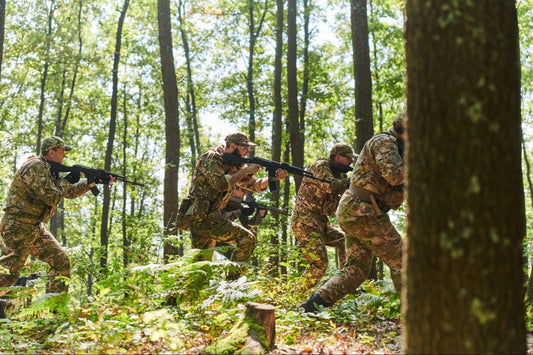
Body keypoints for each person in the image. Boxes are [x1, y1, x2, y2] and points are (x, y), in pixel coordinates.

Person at [298, 112, 407, 313]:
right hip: (363, 211)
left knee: (356, 270)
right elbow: (395, 175)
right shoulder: (384, 142)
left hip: (357, 211)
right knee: (404, 260)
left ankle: (309, 307)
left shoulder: (395, 145)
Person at [0, 136, 115, 296]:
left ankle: (56, 312)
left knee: (60, 261)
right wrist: (69, 179)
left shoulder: (50, 171)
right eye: (62, 151)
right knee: (9, 275)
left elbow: (67, 192)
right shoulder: (36, 167)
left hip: (34, 228)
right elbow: (52, 197)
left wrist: (91, 183)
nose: (64, 155)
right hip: (17, 227)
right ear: (51, 152)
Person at [183, 132, 288, 274]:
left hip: (208, 217)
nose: (247, 151)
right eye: (244, 147)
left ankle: (178, 295)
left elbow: (254, 185)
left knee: (200, 270)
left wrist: (272, 178)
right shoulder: (212, 157)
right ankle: (233, 285)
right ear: (232, 145)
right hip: (202, 216)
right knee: (247, 239)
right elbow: (220, 183)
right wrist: (245, 170)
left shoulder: (233, 164)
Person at [290, 143, 355, 290]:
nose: (351, 162)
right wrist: (353, 180)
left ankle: (344, 285)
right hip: (305, 221)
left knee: (344, 241)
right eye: (349, 158)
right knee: (319, 263)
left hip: (320, 222)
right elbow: (330, 186)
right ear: (338, 157)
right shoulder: (320, 166)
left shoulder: (340, 175)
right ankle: (294, 293)